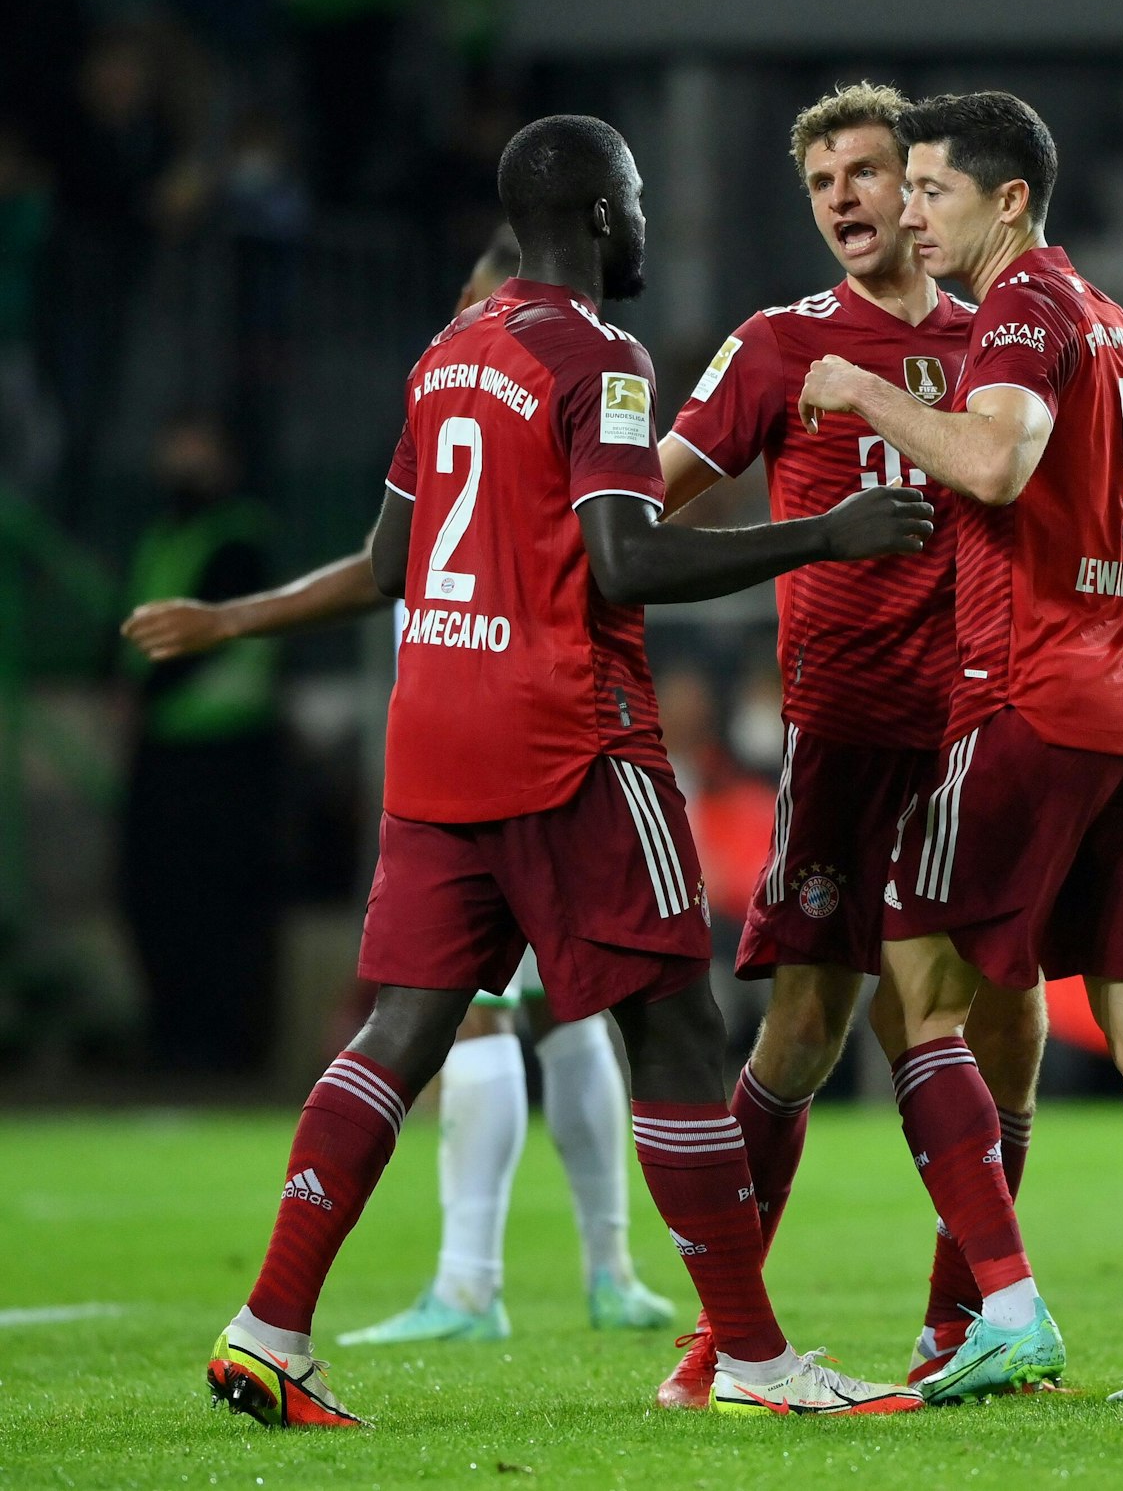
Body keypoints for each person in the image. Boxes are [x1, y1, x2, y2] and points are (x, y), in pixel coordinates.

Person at [205, 113, 934, 1427]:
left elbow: (384, 569)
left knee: (402, 1030)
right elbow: (626, 558)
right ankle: (757, 1359)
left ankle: (269, 1325)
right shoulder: (597, 355)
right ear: (603, 213)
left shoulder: (448, 352)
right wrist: (823, 532)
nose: (646, 216)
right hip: (567, 739)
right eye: (640, 195)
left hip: (433, 738)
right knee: (677, 1024)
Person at [654, 83, 1123, 1408]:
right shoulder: (783, 344)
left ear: (926, 188)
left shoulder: (1000, 328)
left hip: (988, 719)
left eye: (870, 174)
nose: (845, 198)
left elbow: (1072, 507)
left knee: (990, 1028)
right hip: (849, 738)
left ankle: (965, 1323)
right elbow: (648, 504)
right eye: (818, 180)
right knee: (803, 1031)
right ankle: (727, 1338)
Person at [126, 228, 679, 1344]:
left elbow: (402, 559)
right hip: (540, 738)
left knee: (513, 1017)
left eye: (480, 289)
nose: (473, 310)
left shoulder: (483, 367)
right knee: (591, 1013)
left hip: (480, 741)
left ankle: (484, 1282)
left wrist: (234, 615)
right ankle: (603, 1282)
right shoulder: (538, 370)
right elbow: (432, 557)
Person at [119, 415, 282, 1076]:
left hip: (228, 755)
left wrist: (139, 697)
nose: (184, 466)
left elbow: (199, 635)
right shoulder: (159, 538)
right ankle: (173, 1036)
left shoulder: (240, 539)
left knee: (220, 907)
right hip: (163, 753)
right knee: (154, 899)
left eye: (199, 453)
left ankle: (225, 1050)